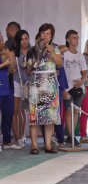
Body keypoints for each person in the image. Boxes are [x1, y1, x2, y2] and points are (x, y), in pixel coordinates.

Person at [26, 23, 62, 154]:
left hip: (51, 85)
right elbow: (29, 70)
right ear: (39, 34)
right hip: (36, 85)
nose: (45, 36)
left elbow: (59, 63)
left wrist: (51, 50)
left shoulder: (56, 48)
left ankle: (48, 145)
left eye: (47, 34)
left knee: (49, 116)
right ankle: (34, 146)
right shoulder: (32, 49)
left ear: (51, 36)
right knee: (34, 117)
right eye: (43, 33)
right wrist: (33, 59)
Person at [62, 30, 87, 146]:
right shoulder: (64, 54)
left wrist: (81, 81)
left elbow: (84, 72)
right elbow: (59, 72)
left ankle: (71, 135)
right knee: (68, 110)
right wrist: (62, 89)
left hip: (79, 88)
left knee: (76, 111)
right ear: (68, 39)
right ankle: (71, 136)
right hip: (67, 88)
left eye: (77, 38)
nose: (76, 40)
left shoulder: (80, 55)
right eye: (73, 38)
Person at [0, 31, 20, 150]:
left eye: (1, 37)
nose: (1, 40)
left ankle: (7, 142)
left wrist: (7, 54)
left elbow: (12, 69)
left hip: (7, 88)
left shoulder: (4, 52)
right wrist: (4, 65)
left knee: (8, 115)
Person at [13, 30, 31, 148]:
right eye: (22, 39)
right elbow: (12, 68)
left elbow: (31, 70)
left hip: (29, 84)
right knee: (16, 110)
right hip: (17, 82)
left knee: (24, 111)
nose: (25, 41)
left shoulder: (33, 51)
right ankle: (17, 137)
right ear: (18, 41)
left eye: (26, 38)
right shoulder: (15, 53)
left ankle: (22, 136)